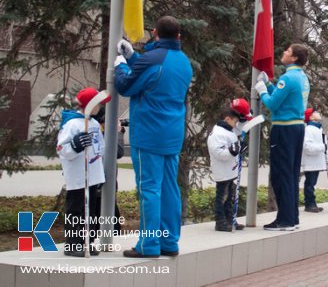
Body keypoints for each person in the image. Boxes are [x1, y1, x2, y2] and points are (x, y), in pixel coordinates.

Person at [114, 15, 193, 257]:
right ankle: (169, 242)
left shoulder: (150, 60)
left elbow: (126, 85)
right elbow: (157, 76)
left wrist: (121, 65)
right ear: (178, 36)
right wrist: (133, 58)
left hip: (148, 135)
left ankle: (148, 245)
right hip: (171, 134)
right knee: (170, 188)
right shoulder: (184, 62)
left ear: (154, 33)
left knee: (149, 189)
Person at [255, 43, 310, 230]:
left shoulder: (288, 78)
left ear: (294, 58)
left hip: (284, 129)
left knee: (281, 175)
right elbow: (282, 98)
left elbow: (272, 103)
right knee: (291, 173)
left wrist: (262, 89)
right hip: (296, 128)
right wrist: (270, 85)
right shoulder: (301, 77)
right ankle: (291, 217)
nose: (284, 52)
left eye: (287, 51)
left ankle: (285, 220)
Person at [57, 87, 110, 257]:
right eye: (98, 104)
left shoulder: (93, 123)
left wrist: (100, 172)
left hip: (93, 175)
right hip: (79, 177)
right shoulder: (71, 124)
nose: (100, 108)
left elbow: (99, 148)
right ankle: (73, 244)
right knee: (76, 209)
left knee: (91, 210)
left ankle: (87, 240)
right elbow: (61, 148)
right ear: (89, 105)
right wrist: (75, 145)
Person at [207, 99, 251, 231]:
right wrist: (232, 151)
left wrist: (238, 148)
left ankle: (229, 219)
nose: (236, 124)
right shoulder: (217, 133)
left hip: (230, 170)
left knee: (229, 197)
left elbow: (236, 138)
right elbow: (218, 152)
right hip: (222, 172)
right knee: (222, 197)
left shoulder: (229, 131)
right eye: (235, 121)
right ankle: (220, 222)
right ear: (227, 119)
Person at [301, 107, 328, 213]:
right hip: (311, 162)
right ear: (311, 117)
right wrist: (322, 147)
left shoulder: (319, 129)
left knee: (312, 183)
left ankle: (312, 203)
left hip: (316, 162)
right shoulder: (308, 130)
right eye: (315, 112)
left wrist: (327, 162)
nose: (318, 113)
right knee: (310, 183)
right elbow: (307, 147)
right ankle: (309, 204)